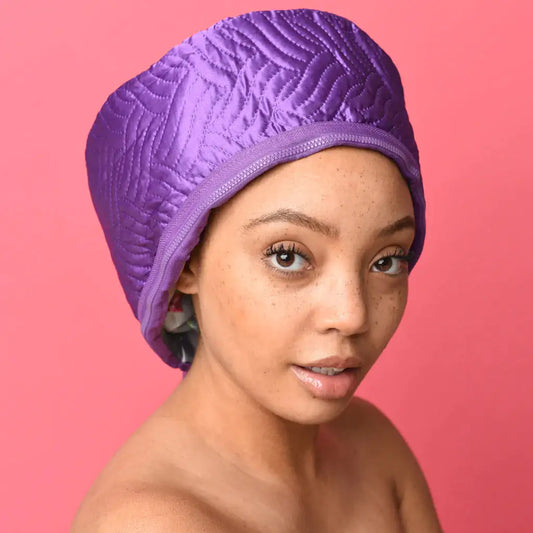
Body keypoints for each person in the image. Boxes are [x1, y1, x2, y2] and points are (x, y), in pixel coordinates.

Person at [72, 8, 443, 532]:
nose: (352, 315)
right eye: (288, 256)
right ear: (186, 261)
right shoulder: (154, 524)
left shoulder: (374, 448)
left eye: (386, 260)